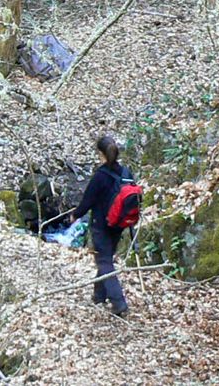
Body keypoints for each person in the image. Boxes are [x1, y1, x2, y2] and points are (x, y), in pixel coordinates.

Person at [68, 135, 133, 316]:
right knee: (105, 258)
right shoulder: (126, 174)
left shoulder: (100, 176)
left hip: (101, 225)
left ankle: (119, 303)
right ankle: (99, 295)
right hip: (119, 224)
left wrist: (75, 215)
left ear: (101, 154)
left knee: (104, 261)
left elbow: (87, 201)